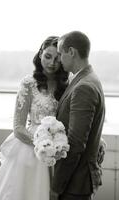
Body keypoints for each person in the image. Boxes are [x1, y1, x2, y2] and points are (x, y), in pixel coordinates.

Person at [0, 36, 69, 200]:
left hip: (59, 149)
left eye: (57, 59)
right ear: (40, 54)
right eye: (48, 56)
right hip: (30, 149)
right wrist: (43, 146)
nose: (52, 63)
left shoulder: (66, 84)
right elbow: (18, 128)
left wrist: (56, 148)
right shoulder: (29, 83)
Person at [50, 31, 105, 200]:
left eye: (60, 53)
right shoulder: (88, 77)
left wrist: (55, 187)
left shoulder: (83, 87)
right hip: (78, 180)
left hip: (74, 184)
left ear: (71, 52)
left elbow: (75, 145)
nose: (58, 59)